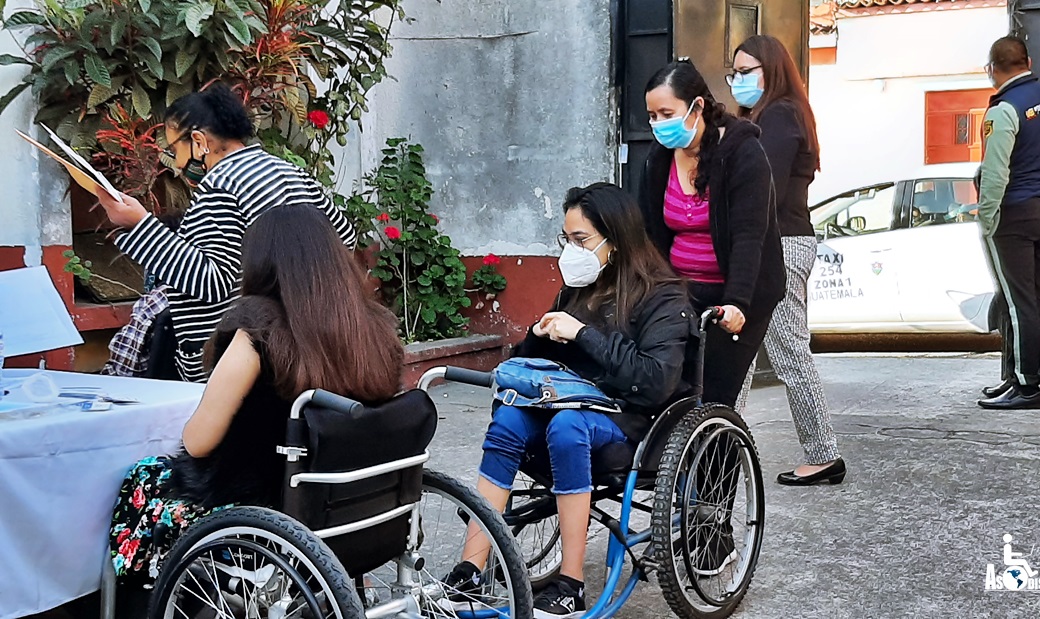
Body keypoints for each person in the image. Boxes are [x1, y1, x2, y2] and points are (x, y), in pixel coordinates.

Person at [107, 206, 404, 613]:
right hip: (356, 502)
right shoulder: (375, 326)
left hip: (262, 512)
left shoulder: (260, 329)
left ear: (261, 263)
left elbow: (197, 442)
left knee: (143, 478)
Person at [446, 183, 692, 618]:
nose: (570, 251)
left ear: (614, 241)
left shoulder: (664, 296)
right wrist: (536, 339)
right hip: (567, 403)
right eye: (567, 239)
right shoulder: (576, 292)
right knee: (508, 419)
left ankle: (570, 583)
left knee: (567, 427)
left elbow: (654, 381)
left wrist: (582, 334)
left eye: (581, 241)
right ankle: (472, 567)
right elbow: (533, 371)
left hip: (632, 419)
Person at [95, 84, 357, 382]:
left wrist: (140, 224)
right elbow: (344, 240)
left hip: (239, 359)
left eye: (174, 150)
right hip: (307, 342)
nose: (178, 165)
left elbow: (211, 281)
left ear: (198, 141)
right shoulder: (288, 171)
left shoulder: (220, 185)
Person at [726, 36, 845, 486]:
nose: (737, 80)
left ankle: (823, 453)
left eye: (745, 71)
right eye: (733, 73)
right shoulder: (776, 114)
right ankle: (719, 442)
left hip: (779, 244)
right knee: (737, 348)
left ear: (771, 69)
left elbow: (762, 187)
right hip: (775, 243)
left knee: (787, 350)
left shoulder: (779, 116)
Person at [638, 60, 786, 415]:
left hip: (737, 294)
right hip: (681, 290)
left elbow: (750, 236)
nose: (658, 124)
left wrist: (736, 302)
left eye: (666, 113)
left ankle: (718, 467)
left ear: (697, 106)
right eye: (652, 115)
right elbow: (648, 234)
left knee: (716, 397)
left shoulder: (742, 153)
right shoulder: (658, 160)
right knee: (668, 389)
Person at [976, 35, 1040, 410]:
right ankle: (1015, 379)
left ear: (993, 70)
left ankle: (1028, 388)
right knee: (1034, 298)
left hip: (1013, 214)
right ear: (1028, 61)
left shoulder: (1002, 111)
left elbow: (995, 173)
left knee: (1018, 303)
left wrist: (988, 219)